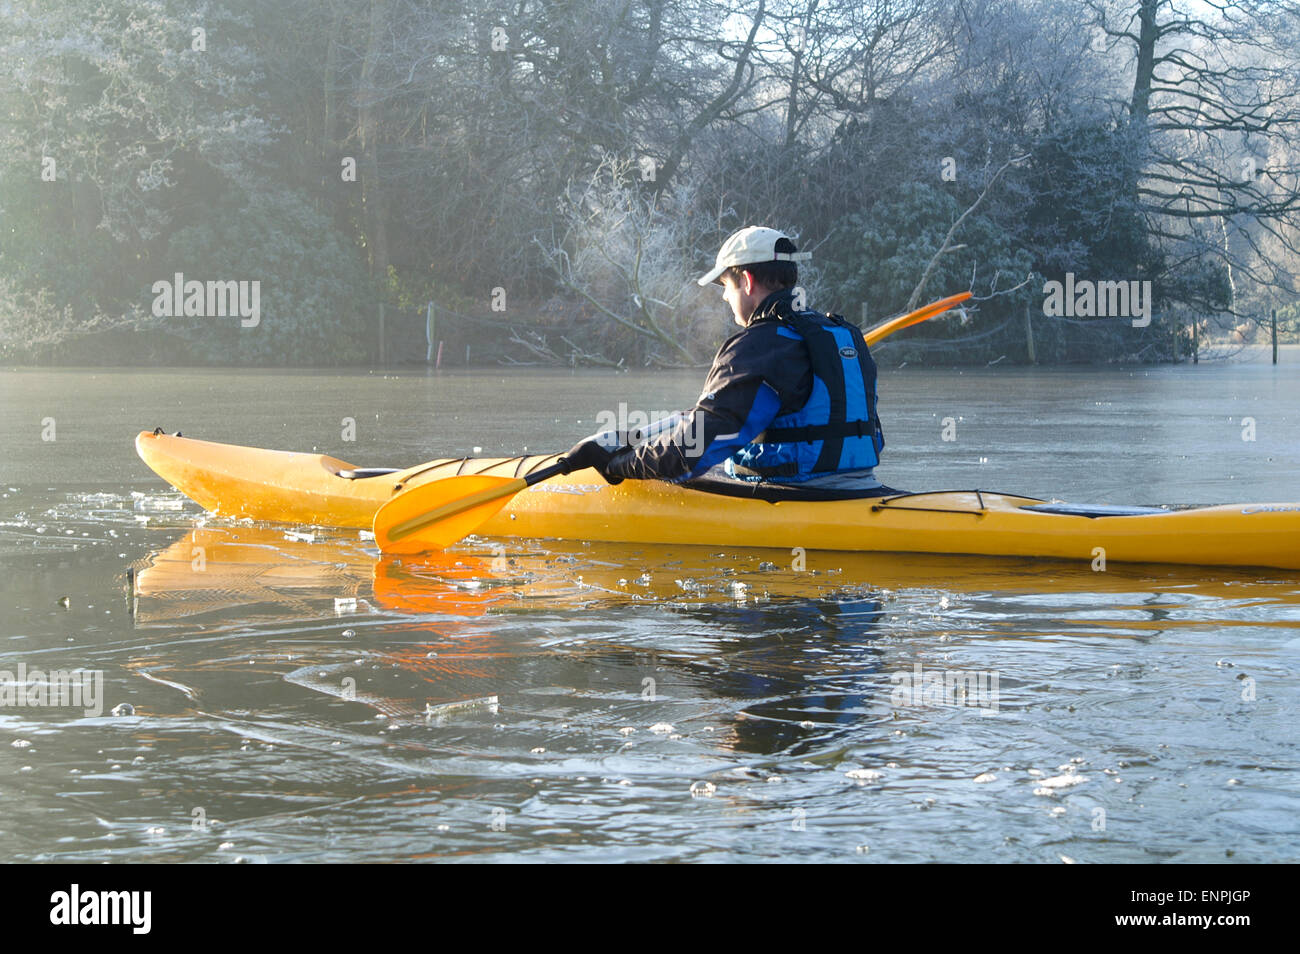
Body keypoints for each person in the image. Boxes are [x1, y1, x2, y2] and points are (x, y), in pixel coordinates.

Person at [561, 226, 885, 492]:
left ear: (746, 281)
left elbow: (693, 450)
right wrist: (632, 442)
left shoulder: (760, 345)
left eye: (725, 285)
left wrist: (619, 466)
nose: (724, 296)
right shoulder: (842, 335)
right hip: (863, 486)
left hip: (797, 491)